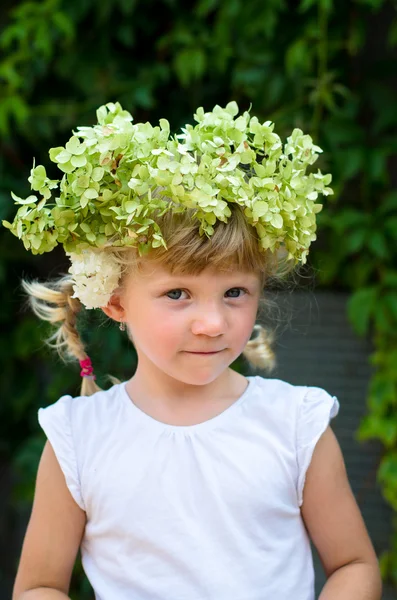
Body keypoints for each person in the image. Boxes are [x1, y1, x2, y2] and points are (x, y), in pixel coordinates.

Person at [5, 102, 381, 600]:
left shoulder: (295, 424)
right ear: (116, 300)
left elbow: (355, 565)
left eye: (234, 293)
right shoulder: (79, 439)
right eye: (178, 294)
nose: (212, 323)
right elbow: (39, 587)